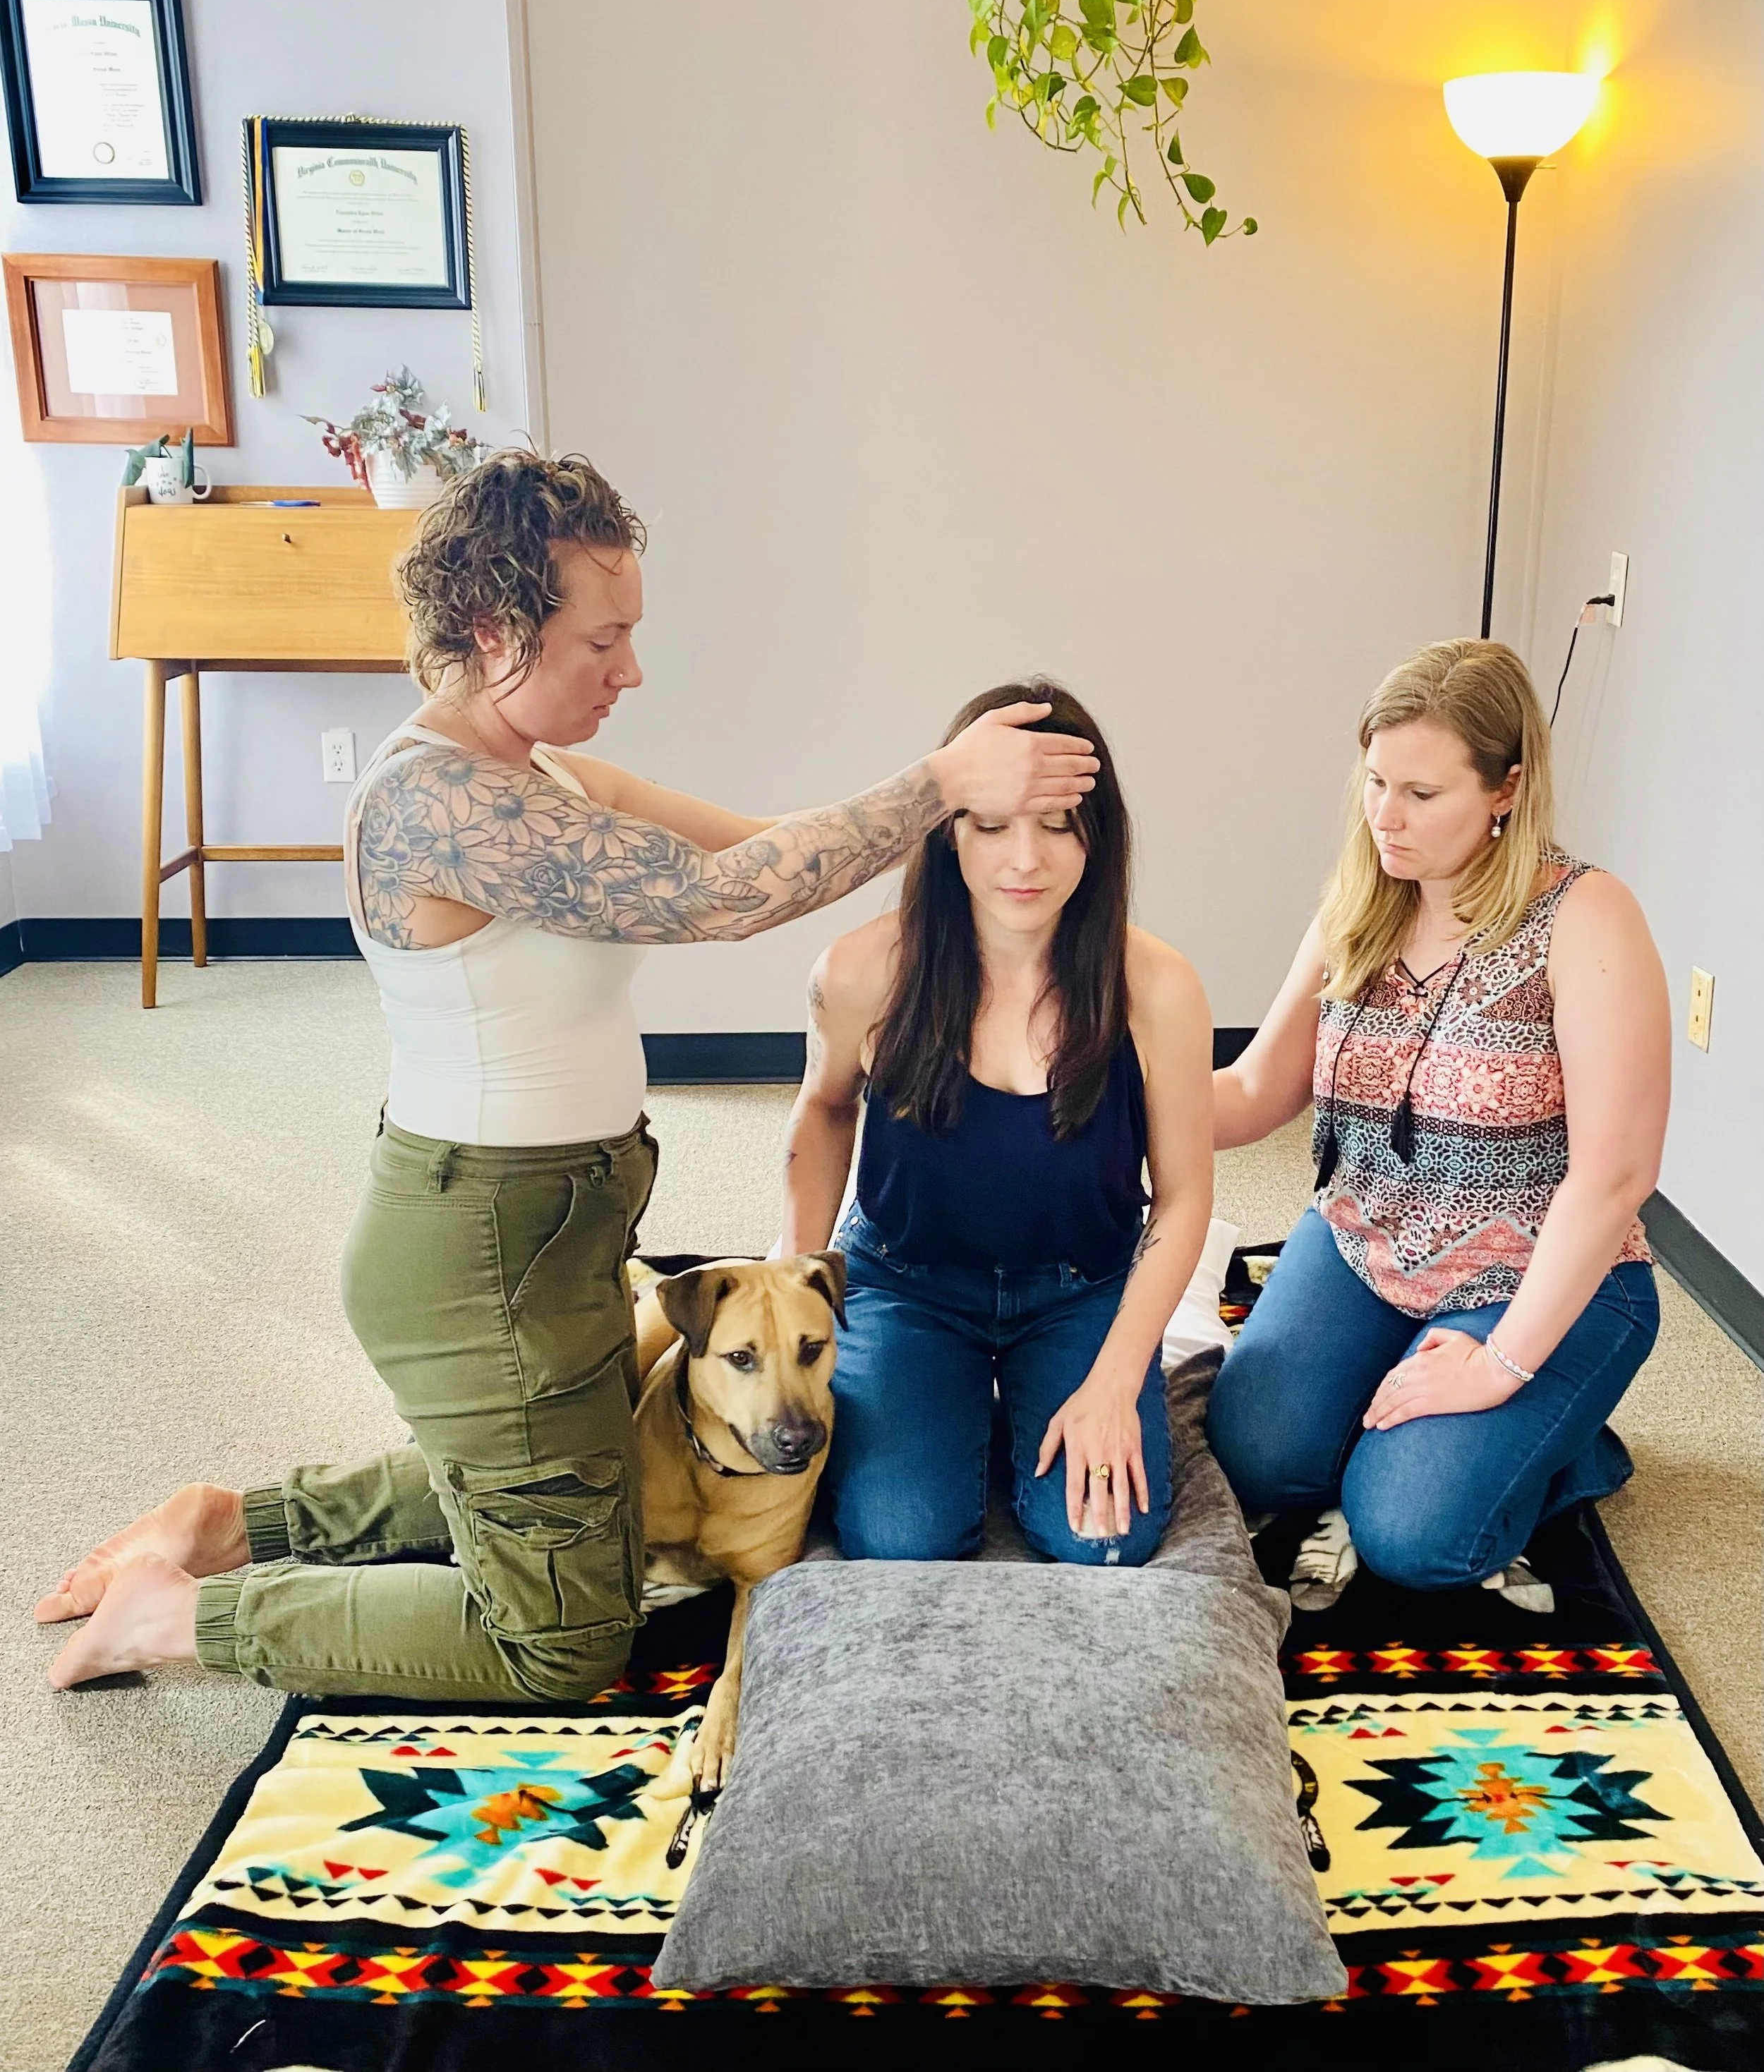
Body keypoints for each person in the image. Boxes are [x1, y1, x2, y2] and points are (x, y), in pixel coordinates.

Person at [37, 452, 1098, 1697]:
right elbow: (721, 899)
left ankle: (229, 1526)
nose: (630, 669)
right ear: (495, 633)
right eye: (605, 639)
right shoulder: (439, 805)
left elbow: (757, 840)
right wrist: (937, 784)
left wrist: (970, 840)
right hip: (477, 1257)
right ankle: (180, 1617)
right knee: (560, 1638)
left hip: (562, 1229)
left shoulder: (541, 776)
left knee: (569, 1472)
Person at [1206, 638, 1669, 1608]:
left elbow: (1615, 1174)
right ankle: (1431, 1397)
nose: (1385, 815)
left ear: (1506, 788)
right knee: (1257, 1460)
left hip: (1541, 1270)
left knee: (1414, 1534)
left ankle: (1567, 1439)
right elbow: (1254, 1091)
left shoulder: (1586, 915)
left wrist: (1502, 1365)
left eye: (1421, 793)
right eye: (1375, 780)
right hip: (1366, 1242)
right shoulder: (1357, 901)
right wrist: (1096, 1099)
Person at [782, 679, 1214, 1566]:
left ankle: (1023, 1403)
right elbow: (822, 1111)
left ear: (1098, 835)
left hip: (1081, 1284)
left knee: (1108, 1540)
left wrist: (1115, 1377)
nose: (1026, 858)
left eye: (1057, 825)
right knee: (901, 1538)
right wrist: (795, 1285)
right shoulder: (864, 969)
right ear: (949, 831)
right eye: (992, 823)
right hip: (907, 1280)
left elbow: (1183, 1196)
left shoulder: (1158, 985)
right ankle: (948, 1411)